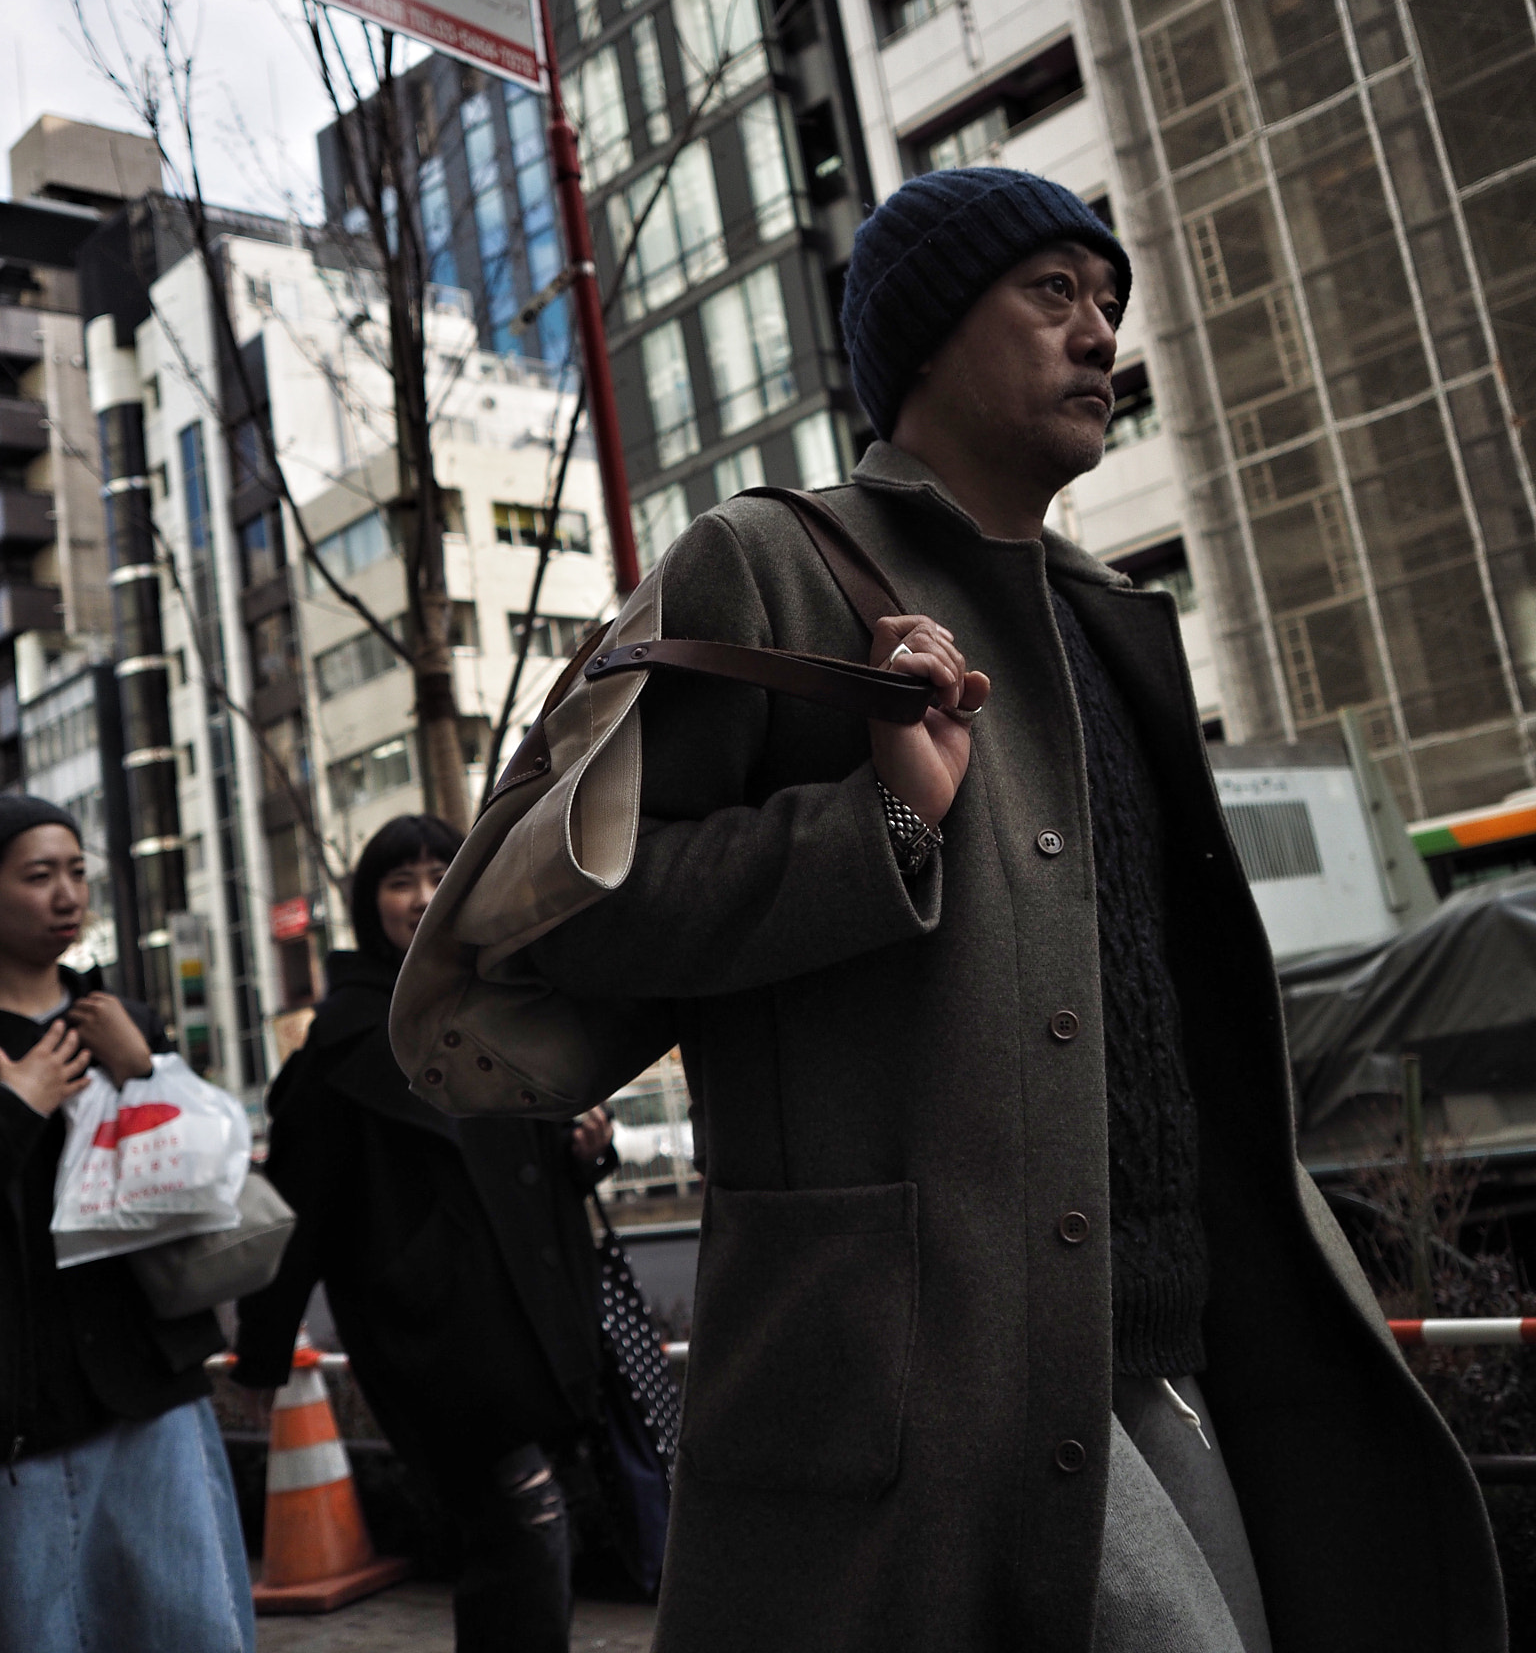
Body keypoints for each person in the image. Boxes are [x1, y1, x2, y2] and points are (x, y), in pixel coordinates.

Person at [518, 167, 1504, 1652]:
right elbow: (560, 912)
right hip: (940, 1375)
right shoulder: (768, 563)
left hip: (1168, 1338)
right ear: (924, 335)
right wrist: (883, 823)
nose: (1100, 333)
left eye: (1108, 302)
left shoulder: (1106, 618)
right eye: (1052, 293)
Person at [233, 814, 615, 1653]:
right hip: (437, 1335)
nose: (423, 896)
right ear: (369, 906)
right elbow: (298, 1208)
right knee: (524, 1522)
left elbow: (528, 1165)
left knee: (524, 1533)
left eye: (443, 873)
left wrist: (587, 1151)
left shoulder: (506, 1003)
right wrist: (261, 1351)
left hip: (533, 1316)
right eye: (399, 880)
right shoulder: (343, 1043)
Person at [0, 794, 254, 1653]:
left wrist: (144, 1068)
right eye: (38, 876)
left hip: (150, 1380)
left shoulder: (120, 1020)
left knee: (188, 1625)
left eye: (76, 872)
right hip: (27, 1404)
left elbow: (207, 1173)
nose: (66, 894)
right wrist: (17, 1107)